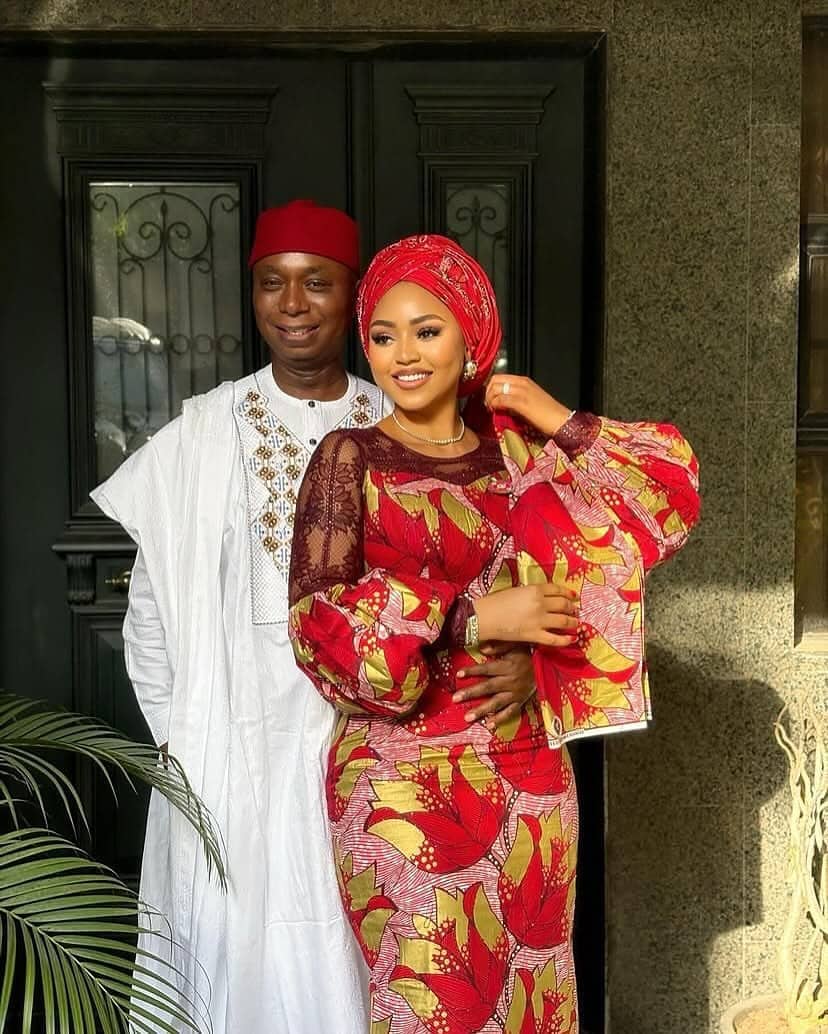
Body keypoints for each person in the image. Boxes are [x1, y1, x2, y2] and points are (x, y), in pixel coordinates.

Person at [91, 203, 537, 1033]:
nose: (293, 304)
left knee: (376, 944)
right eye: (272, 282)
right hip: (233, 743)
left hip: (386, 741)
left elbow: (510, 576)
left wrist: (526, 663)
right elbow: (148, 616)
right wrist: (189, 735)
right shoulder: (203, 432)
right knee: (234, 941)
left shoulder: (406, 419)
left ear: (355, 299)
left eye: (317, 283)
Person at [287, 233, 701, 1033]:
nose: (404, 355)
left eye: (427, 330)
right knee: (432, 1000)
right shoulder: (350, 457)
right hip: (401, 781)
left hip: (527, 771)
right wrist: (471, 619)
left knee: (534, 999)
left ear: (472, 336)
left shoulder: (521, 456)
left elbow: (666, 500)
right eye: (383, 336)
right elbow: (318, 624)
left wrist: (553, 416)